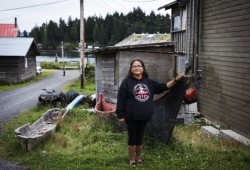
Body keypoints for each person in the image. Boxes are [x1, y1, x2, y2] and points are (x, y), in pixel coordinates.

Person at [116, 58, 184, 166]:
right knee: (132, 138)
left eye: (139, 66)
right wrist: (120, 115)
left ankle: (139, 158)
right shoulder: (126, 83)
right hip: (131, 116)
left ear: (143, 68)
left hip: (145, 116)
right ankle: (132, 159)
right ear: (131, 70)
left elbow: (164, 87)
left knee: (140, 138)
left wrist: (176, 80)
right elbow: (121, 99)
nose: (137, 68)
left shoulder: (149, 82)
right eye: (134, 66)